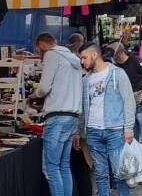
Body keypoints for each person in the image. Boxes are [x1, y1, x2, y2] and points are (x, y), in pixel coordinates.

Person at [73, 44, 135, 196]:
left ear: (95, 55)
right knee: (100, 175)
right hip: (93, 131)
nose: (82, 61)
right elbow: (82, 108)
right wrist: (78, 131)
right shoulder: (85, 80)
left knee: (119, 173)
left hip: (114, 129)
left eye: (84, 57)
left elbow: (129, 101)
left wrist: (128, 128)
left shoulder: (117, 74)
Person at [32, 32, 84, 196]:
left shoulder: (51, 55)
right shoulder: (73, 59)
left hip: (57, 117)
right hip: (72, 117)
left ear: (41, 45)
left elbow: (45, 87)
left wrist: (35, 94)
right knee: (64, 166)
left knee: (51, 168)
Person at [108, 42, 142, 180]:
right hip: (129, 106)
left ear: (118, 54)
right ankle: (140, 170)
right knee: (134, 139)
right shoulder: (116, 67)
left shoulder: (137, 61)